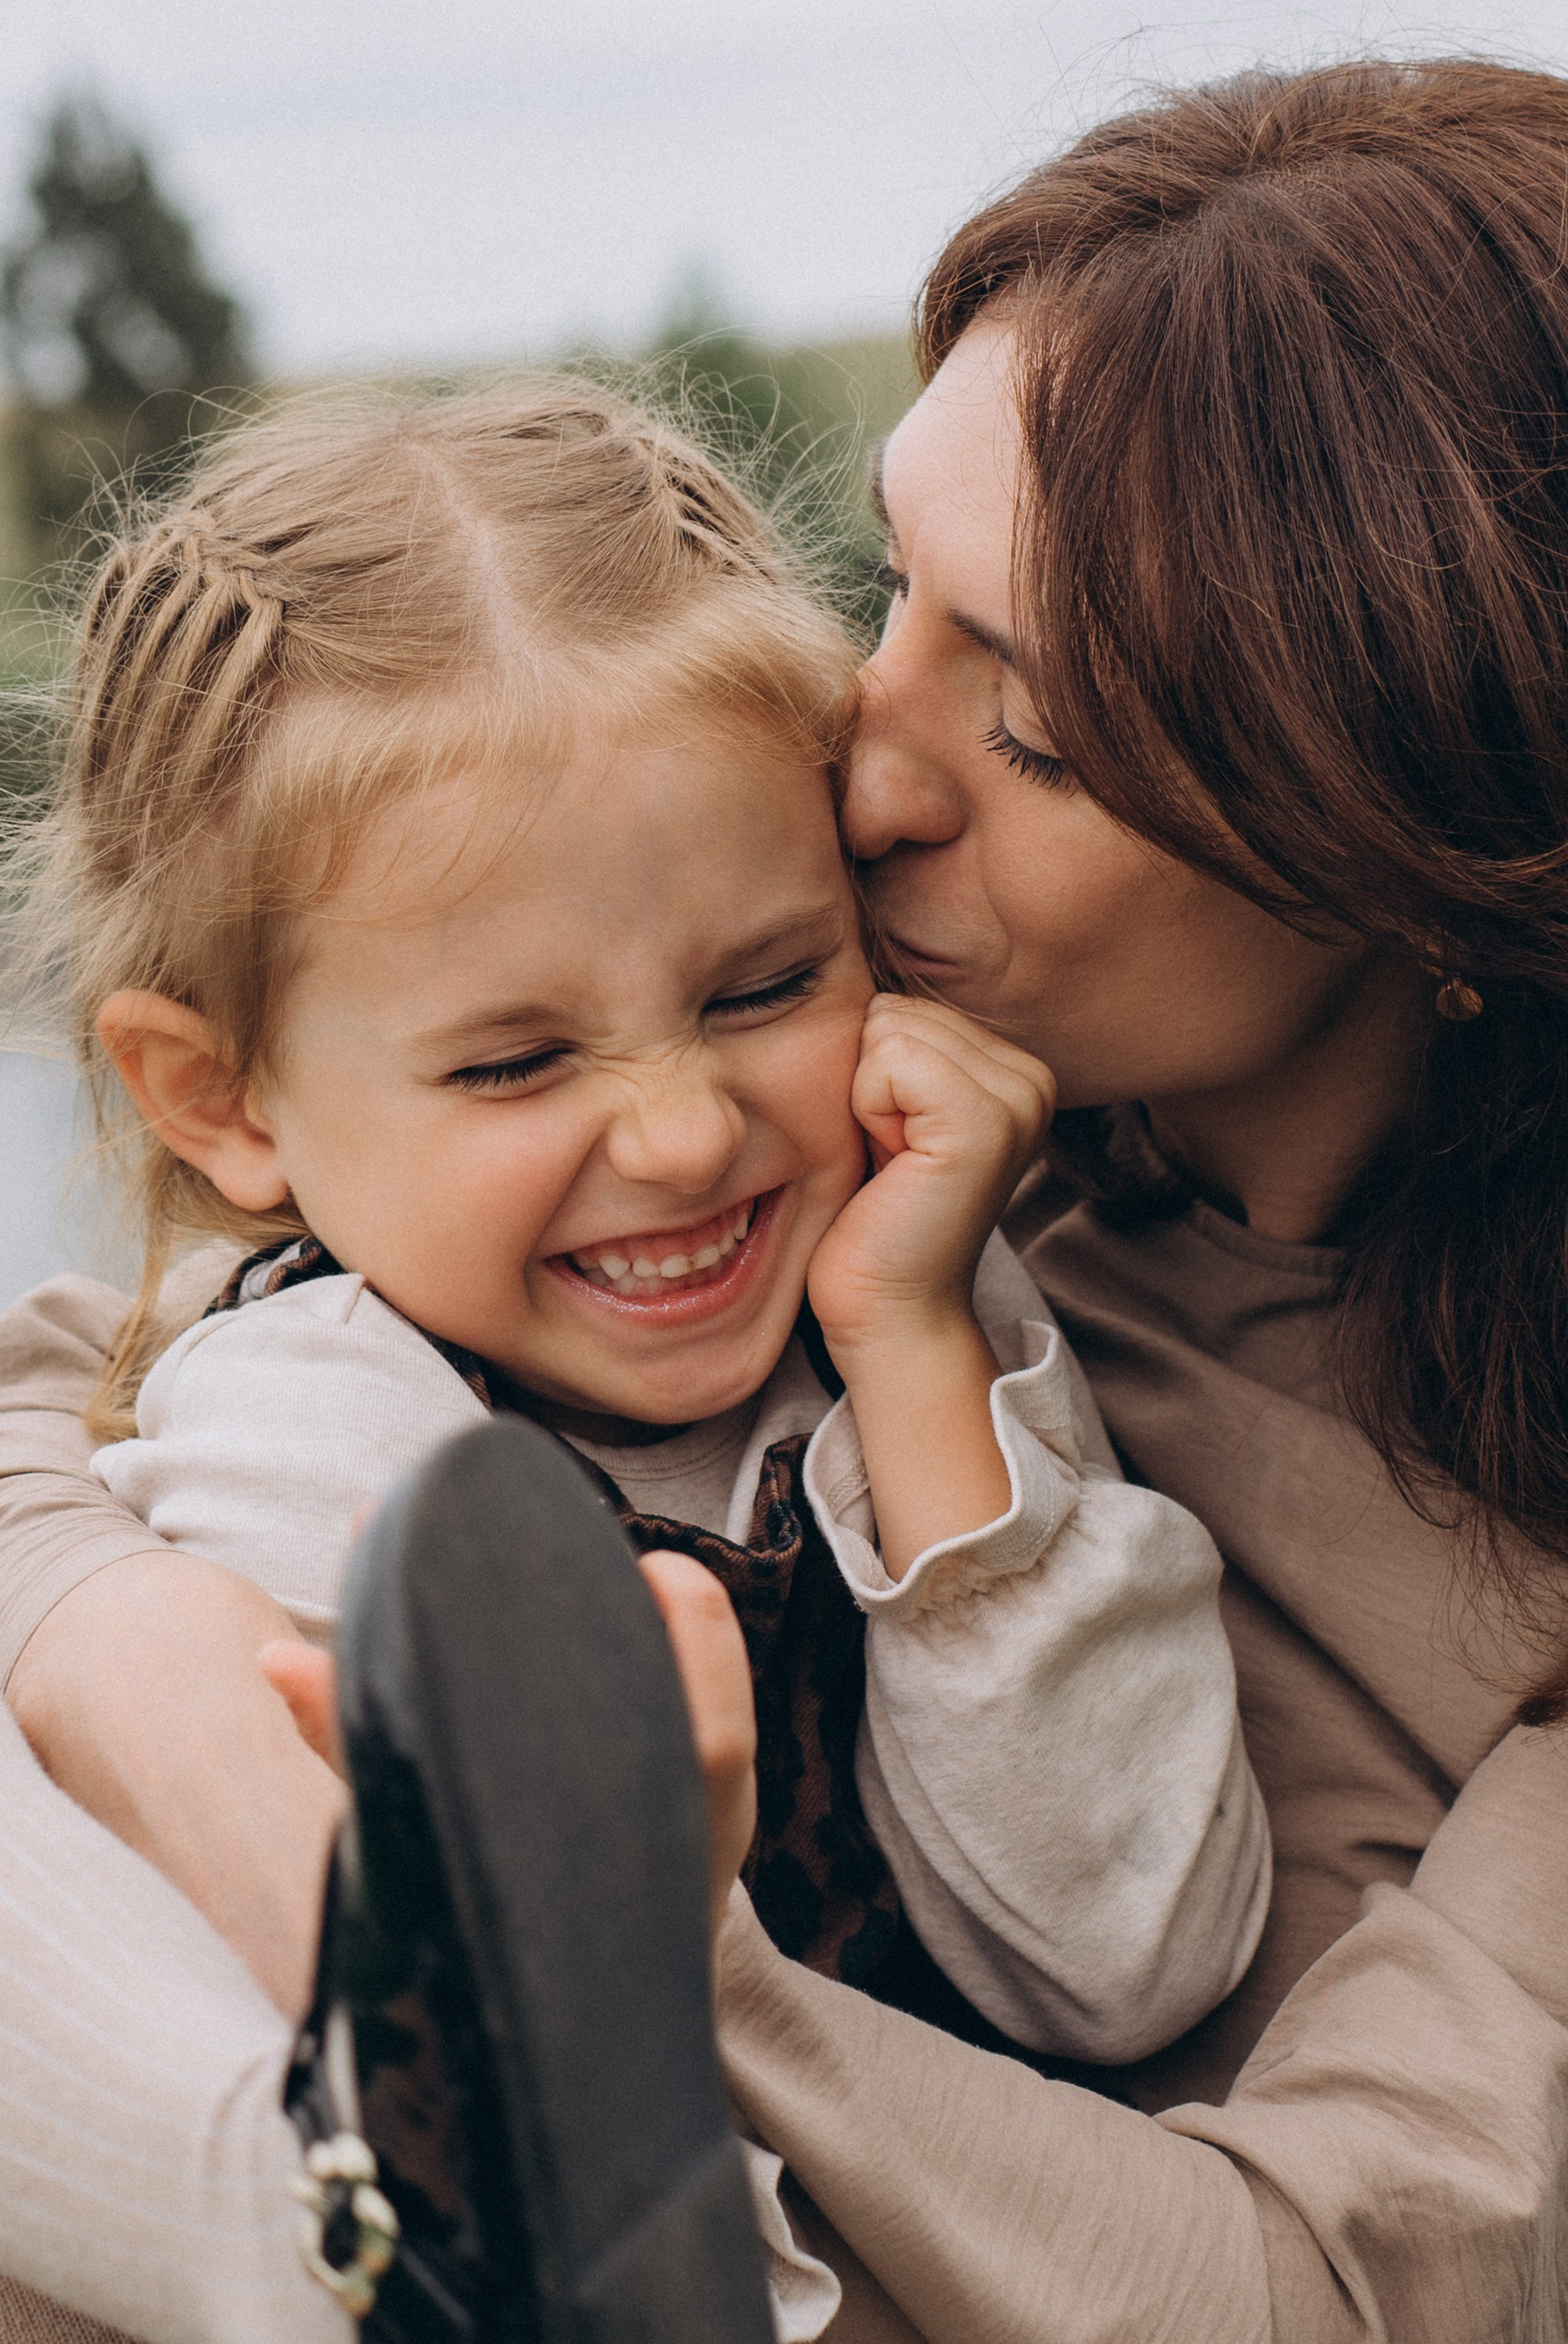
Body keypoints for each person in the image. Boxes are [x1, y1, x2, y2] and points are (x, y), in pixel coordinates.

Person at [4, 43, 1568, 2344]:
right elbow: (101, 1353)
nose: (861, 758)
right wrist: (120, 1650)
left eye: (1032, 724)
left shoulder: (964, 1259)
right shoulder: (864, 1115)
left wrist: (624, 1947)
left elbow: (1310, 2285)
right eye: (891, 586)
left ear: (1412, 851)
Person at [0, 376, 1264, 2338]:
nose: (680, 1135)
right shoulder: (309, 1429)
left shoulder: (924, 1317)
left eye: (765, 986)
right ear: (222, 1100)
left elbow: (1124, 1955)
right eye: (515, 1062)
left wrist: (921, 1360)